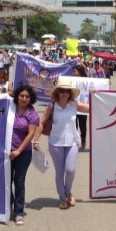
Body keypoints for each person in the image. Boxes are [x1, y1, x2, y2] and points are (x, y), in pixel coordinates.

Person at [33, 77, 90, 210]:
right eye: (62, 91)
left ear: (70, 93)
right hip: (55, 142)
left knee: (70, 170)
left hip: (72, 142)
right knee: (60, 171)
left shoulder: (74, 104)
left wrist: (98, 95)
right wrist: (36, 139)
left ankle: (68, 190)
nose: (64, 93)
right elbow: (41, 123)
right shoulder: (52, 105)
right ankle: (62, 198)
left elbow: (90, 108)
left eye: (67, 91)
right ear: (57, 92)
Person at [10, 85, 39, 225]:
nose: (24, 98)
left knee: (19, 181)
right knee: (6, 181)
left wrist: (18, 151)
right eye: (21, 95)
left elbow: (31, 135)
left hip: (23, 153)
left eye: (27, 96)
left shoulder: (32, 114)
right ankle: (7, 207)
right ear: (17, 96)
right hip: (7, 153)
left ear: (30, 99)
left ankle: (19, 211)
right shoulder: (10, 108)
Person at [73, 65, 89, 149]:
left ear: (80, 72)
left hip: (83, 106)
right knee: (73, 124)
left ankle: (83, 139)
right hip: (73, 107)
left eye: (75, 71)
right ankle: (75, 141)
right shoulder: (71, 81)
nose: (73, 73)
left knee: (82, 126)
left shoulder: (86, 80)